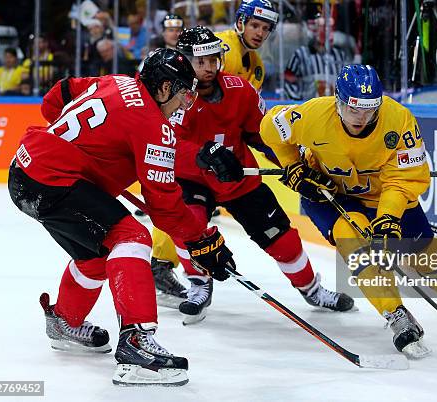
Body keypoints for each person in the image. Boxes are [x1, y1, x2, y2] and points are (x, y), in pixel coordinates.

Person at [7, 48, 236, 386]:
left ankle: (63, 320)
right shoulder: (153, 125)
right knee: (132, 237)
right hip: (53, 178)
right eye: (183, 94)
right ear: (163, 89)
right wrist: (201, 239)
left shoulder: (117, 81)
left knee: (98, 256)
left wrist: (74, 145)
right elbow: (164, 208)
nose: (185, 104)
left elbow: (62, 92)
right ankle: (136, 344)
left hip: (25, 170)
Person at [259, 65, 437, 357]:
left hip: (382, 193)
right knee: (356, 247)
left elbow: (403, 179)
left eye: (370, 110)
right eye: (354, 109)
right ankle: (396, 314)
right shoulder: (312, 115)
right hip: (329, 195)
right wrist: (291, 164)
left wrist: (388, 218)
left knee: (419, 246)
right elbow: (269, 128)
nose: (362, 118)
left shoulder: (399, 120)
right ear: (338, 100)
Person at [149, 26, 354, 324]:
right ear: (184, 61)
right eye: (199, 61)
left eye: (212, 59)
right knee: (186, 226)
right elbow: (168, 142)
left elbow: (262, 134)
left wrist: (289, 162)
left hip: (238, 178)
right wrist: (204, 155)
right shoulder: (174, 96)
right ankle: (198, 283)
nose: (208, 68)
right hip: (193, 178)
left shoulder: (240, 89)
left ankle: (312, 289)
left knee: (282, 240)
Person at [215, 0, 279, 90]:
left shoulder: (257, 66)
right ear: (240, 22)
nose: (260, 34)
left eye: (265, 28)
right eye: (255, 26)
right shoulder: (217, 47)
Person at [284, 8, 346, 100]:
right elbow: (287, 82)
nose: (324, 31)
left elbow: (345, 84)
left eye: (328, 27)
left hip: (332, 109)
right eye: (320, 27)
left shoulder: (340, 56)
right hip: (309, 110)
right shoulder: (300, 55)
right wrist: (298, 103)